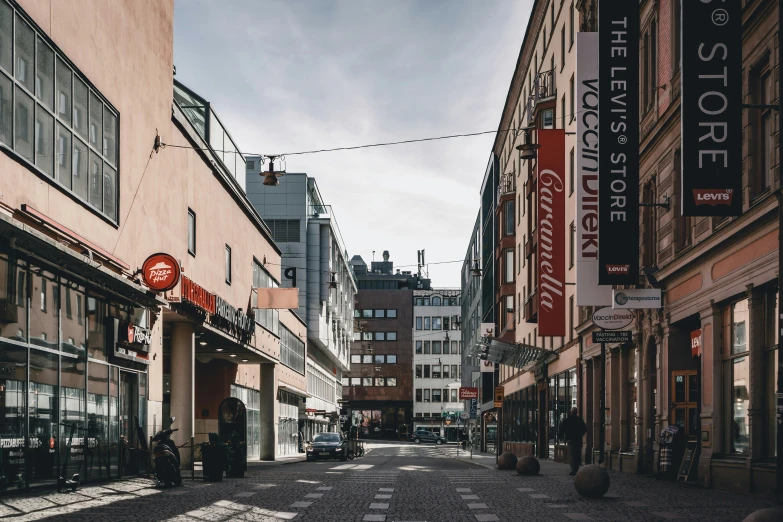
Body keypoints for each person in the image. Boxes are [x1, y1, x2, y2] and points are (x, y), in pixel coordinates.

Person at [559, 407, 588, 476]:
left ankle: (573, 469)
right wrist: (581, 433)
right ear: (577, 412)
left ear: (571, 412)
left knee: (572, 454)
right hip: (578, 439)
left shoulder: (567, 420)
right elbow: (584, 429)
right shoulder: (579, 420)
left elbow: (562, 429)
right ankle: (575, 469)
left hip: (570, 439)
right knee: (577, 454)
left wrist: (562, 437)